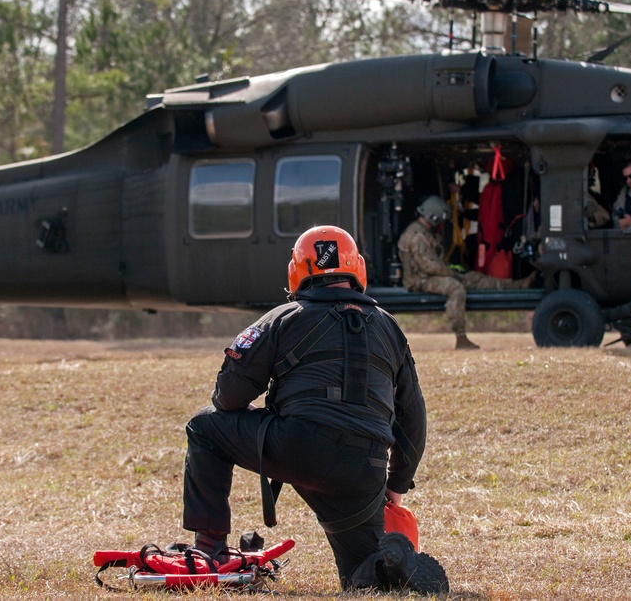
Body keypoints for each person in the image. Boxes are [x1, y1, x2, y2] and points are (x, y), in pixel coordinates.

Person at [181, 225, 448, 594]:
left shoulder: (283, 318)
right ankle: (390, 571)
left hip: (298, 445)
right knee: (361, 574)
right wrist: (396, 484)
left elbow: (228, 398)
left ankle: (210, 550)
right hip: (365, 467)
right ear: (358, 269)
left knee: (203, 428)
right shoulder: (391, 328)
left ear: (297, 270)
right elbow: (413, 419)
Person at [398, 196, 532, 351]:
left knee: (473, 278)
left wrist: (453, 272)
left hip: (432, 275)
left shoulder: (425, 233)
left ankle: (517, 285)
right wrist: (451, 274)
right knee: (456, 288)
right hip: (419, 280)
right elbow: (429, 266)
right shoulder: (416, 236)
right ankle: (460, 338)